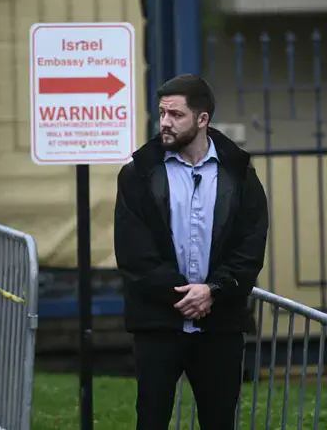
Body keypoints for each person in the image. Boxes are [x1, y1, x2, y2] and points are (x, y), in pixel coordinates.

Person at [114, 74, 269, 430]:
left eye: (176, 115)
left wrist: (212, 291)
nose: (165, 123)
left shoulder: (240, 175)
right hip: (157, 323)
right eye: (162, 113)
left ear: (203, 120)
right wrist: (185, 296)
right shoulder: (138, 174)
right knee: (151, 420)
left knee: (219, 421)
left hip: (221, 326)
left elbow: (250, 247)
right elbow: (134, 252)